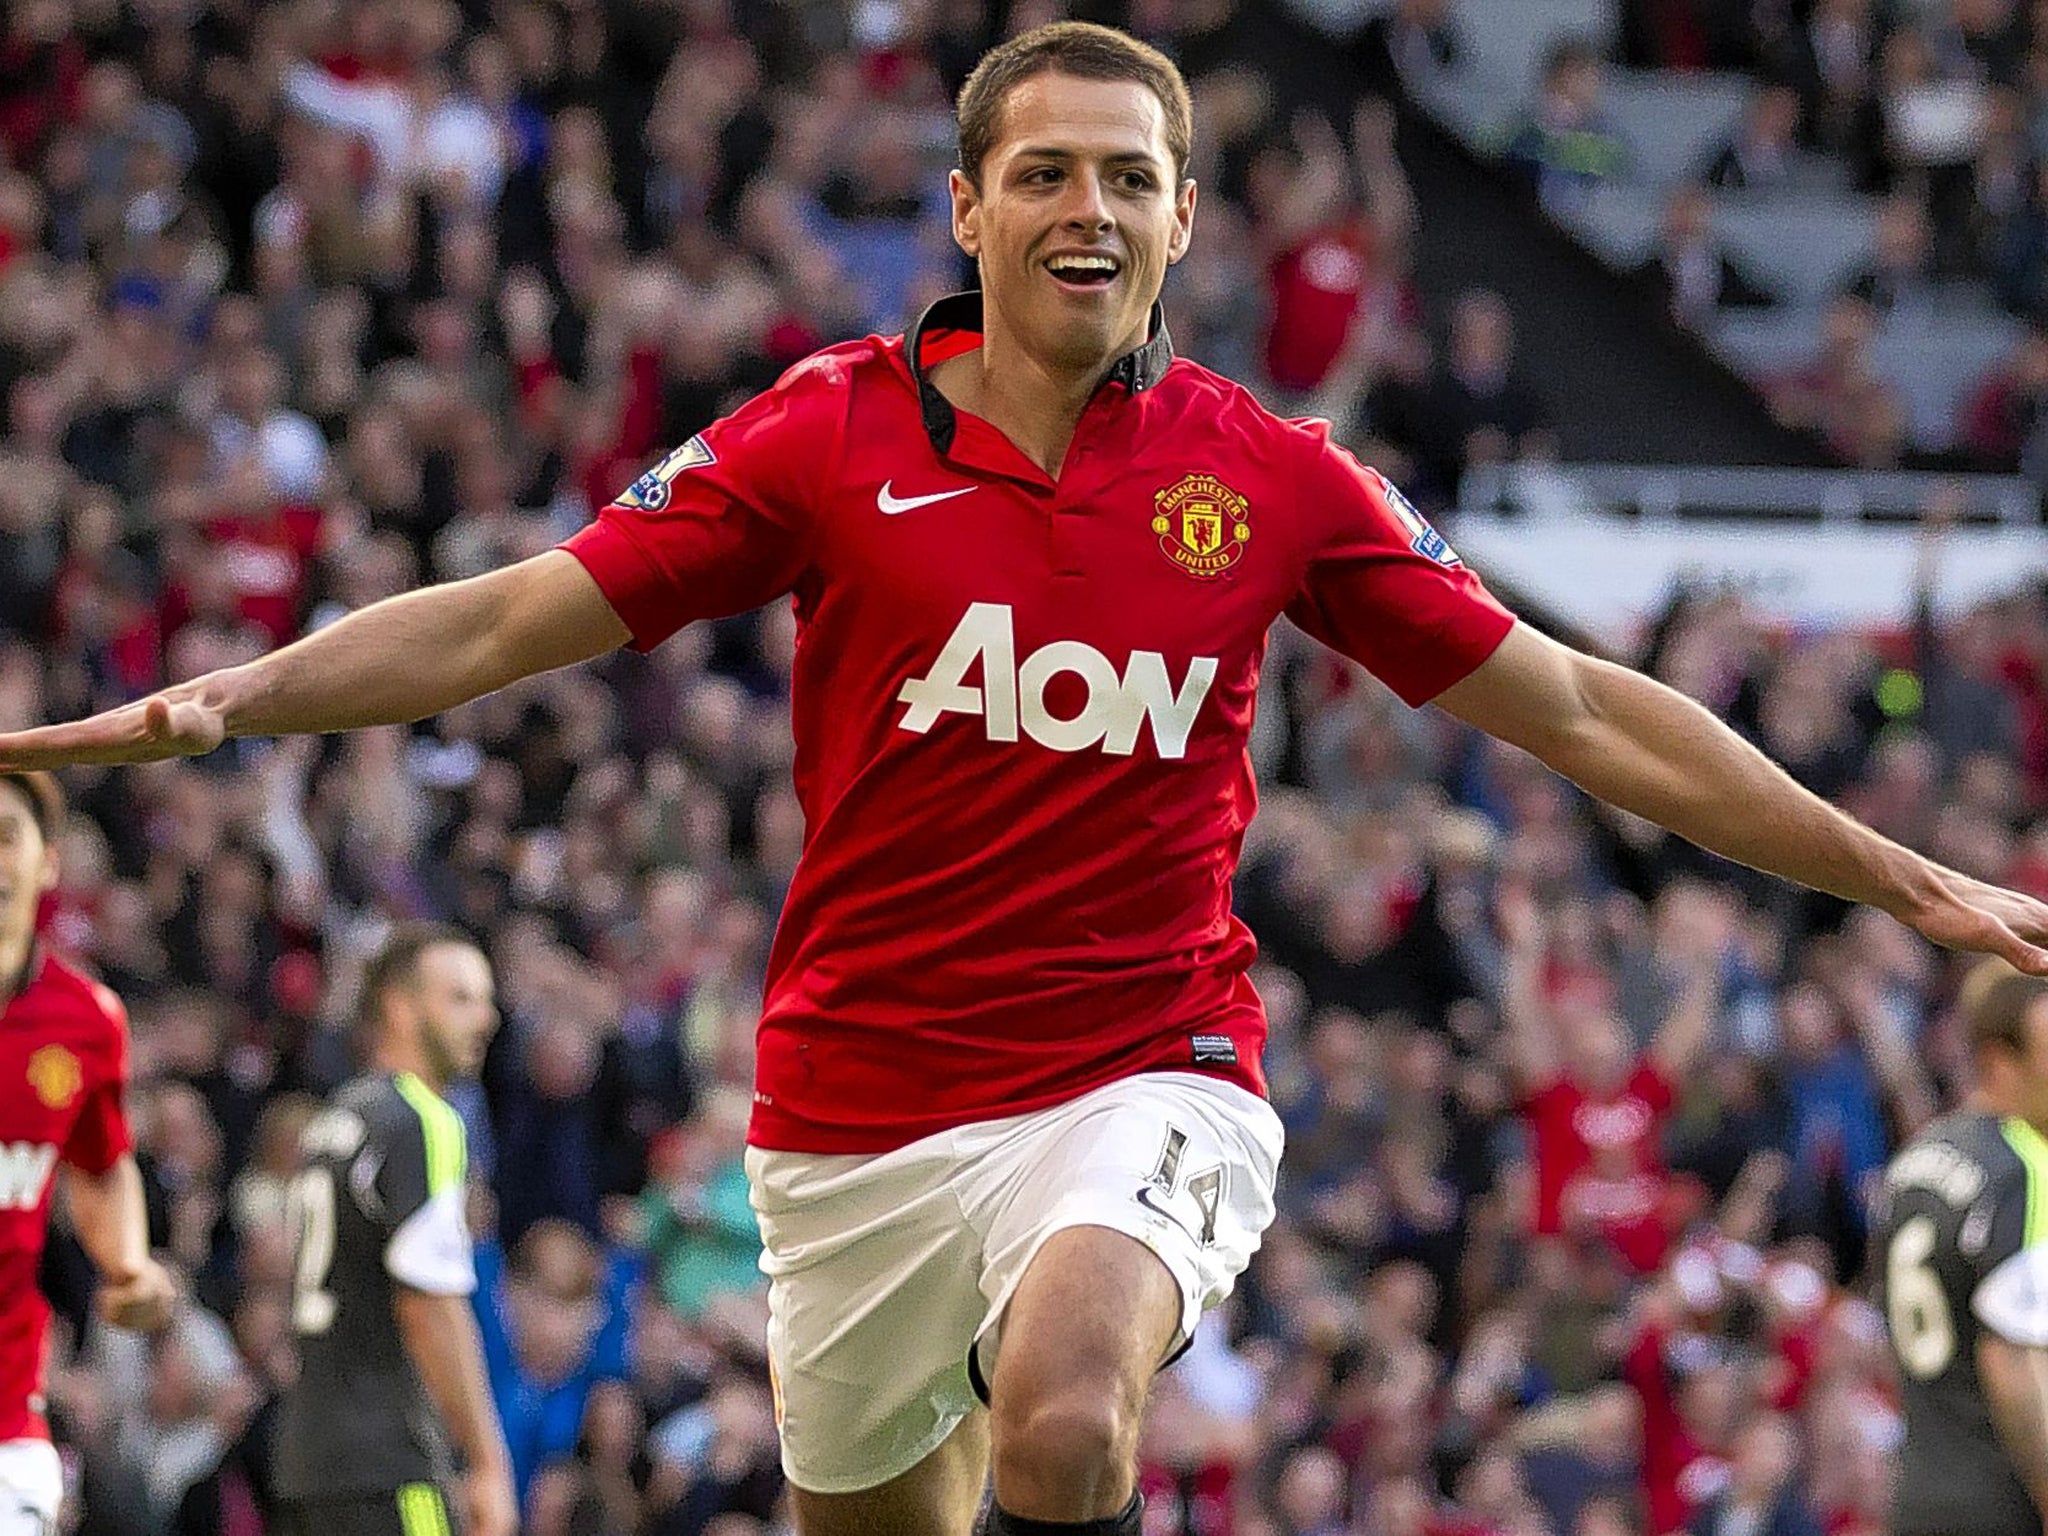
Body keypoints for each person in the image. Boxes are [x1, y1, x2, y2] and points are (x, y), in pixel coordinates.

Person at [1, 20, 2046, 1536]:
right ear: (967, 207)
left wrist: (1899, 878)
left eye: (1129, 174)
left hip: (1141, 1069)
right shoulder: (823, 439)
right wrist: (220, 706)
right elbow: (499, 620)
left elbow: (1586, 713)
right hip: (854, 1116)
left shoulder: (1271, 478)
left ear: (1179, 214)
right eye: (1046, 172)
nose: (1090, 208)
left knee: (1066, 1420)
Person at [270, 923, 516, 1536]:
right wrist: (488, 1462)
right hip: (388, 1459)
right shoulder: (425, 1120)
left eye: (485, 999)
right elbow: (429, 1306)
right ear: (400, 1008)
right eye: (460, 999)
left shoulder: (339, 1118)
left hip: (309, 1459)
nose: (485, 1018)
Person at [0, 771, 174, 1536]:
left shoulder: (86, 1021)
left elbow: (100, 1166)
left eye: (7, 837)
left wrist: (129, 1264)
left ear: (47, 863)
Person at [1875, 962, 2048, 1536]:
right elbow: (2011, 1358)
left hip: (1921, 1492)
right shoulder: (2021, 1166)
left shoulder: (1913, 1161)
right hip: (2004, 1498)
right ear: (2000, 1061)